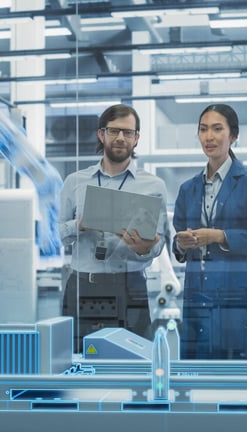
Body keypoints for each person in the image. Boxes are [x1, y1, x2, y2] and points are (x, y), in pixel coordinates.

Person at [58, 104, 169, 353]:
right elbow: (57, 236)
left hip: (131, 287)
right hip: (84, 285)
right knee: (76, 360)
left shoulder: (154, 186)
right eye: (114, 131)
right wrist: (78, 225)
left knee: (137, 362)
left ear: (137, 138)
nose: (120, 138)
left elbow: (160, 243)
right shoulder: (75, 182)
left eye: (128, 133)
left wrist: (147, 247)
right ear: (102, 134)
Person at [172, 104, 247, 360]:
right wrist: (181, 244)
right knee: (197, 383)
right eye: (203, 129)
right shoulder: (188, 190)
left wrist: (221, 236)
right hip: (198, 300)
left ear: (233, 136)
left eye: (218, 129)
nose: (209, 137)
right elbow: (176, 242)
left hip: (238, 298)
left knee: (242, 384)